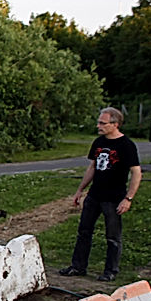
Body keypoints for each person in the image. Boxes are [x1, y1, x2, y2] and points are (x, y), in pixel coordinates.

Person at [58, 107, 142, 282]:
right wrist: (80, 189)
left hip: (114, 198)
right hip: (95, 195)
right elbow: (93, 167)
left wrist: (128, 198)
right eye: (99, 122)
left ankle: (110, 271)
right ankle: (78, 266)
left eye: (103, 123)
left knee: (112, 236)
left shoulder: (126, 145)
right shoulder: (98, 142)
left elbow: (136, 172)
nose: (99, 126)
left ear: (115, 124)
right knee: (84, 231)